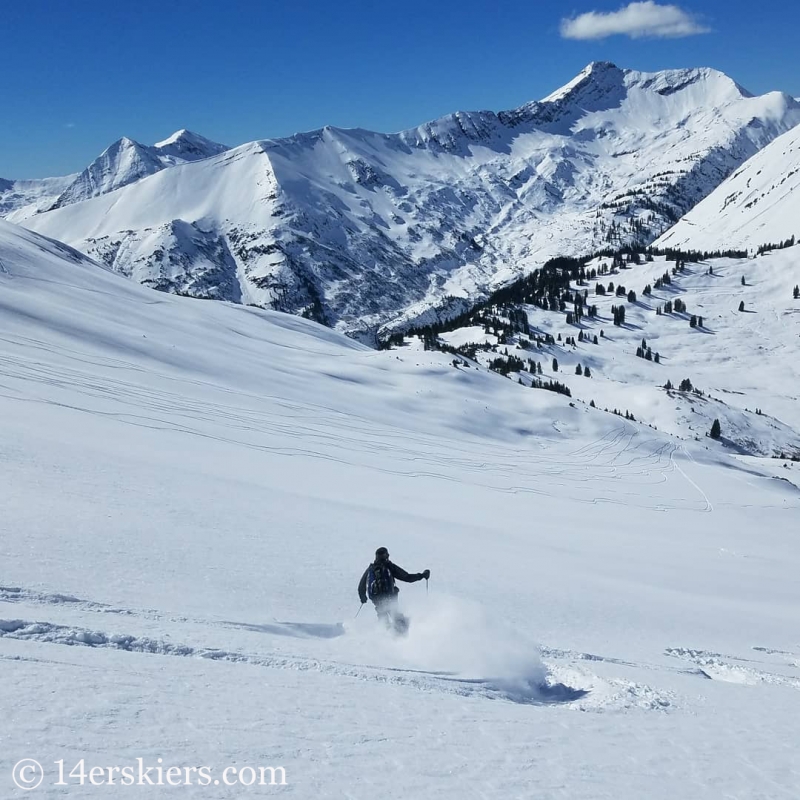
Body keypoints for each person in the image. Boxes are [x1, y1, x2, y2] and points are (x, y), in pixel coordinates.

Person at [358, 547, 430, 633]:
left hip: (377, 600)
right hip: (390, 598)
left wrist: (363, 598)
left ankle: (383, 636)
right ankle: (403, 635)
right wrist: (422, 575)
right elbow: (407, 577)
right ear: (386, 556)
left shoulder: (370, 569)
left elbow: (361, 587)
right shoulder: (389, 566)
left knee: (383, 618)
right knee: (396, 616)